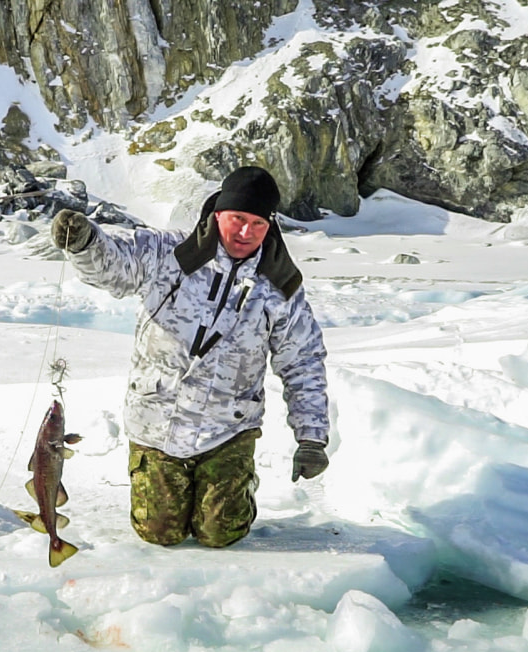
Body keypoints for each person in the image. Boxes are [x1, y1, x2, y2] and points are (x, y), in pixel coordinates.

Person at [50, 165, 334, 548]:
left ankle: (237, 485)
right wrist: (85, 243)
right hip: (156, 420)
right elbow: (116, 267)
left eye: (257, 223)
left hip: (228, 429)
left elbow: (303, 362)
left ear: (270, 226)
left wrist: (312, 438)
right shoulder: (168, 252)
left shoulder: (281, 285)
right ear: (218, 213)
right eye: (237, 219)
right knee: (159, 532)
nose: (245, 232)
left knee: (221, 533)